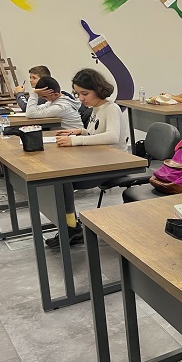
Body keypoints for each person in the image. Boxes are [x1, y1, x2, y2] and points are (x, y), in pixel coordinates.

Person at [45, 69, 128, 248]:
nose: (81, 98)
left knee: (63, 180)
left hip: (115, 164)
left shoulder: (111, 108)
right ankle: (71, 226)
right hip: (99, 160)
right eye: (77, 93)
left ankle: (71, 227)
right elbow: (96, 133)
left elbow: (112, 137)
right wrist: (80, 131)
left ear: (98, 90)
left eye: (85, 93)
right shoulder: (96, 108)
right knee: (59, 179)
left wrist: (76, 140)